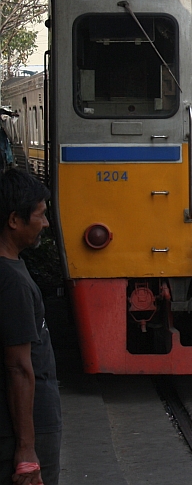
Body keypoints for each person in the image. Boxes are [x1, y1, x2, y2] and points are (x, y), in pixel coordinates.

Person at [0, 169, 60, 485]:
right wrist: (26, 450)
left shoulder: (11, 269)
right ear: (13, 220)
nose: (45, 224)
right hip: (29, 428)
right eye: (40, 215)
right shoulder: (12, 284)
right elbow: (19, 369)